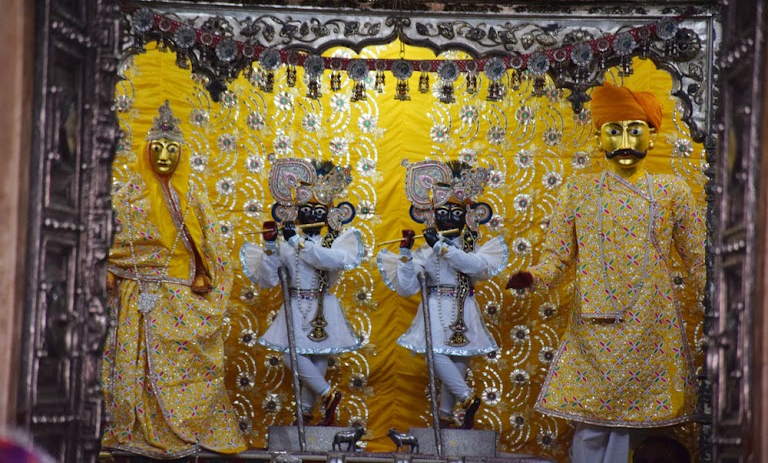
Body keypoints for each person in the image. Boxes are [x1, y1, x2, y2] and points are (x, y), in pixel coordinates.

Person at [505, 81, 706, 462]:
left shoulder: (671, 190)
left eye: (635, 129)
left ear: (652, 135)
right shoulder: (579, 191)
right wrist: (534, 277)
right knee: (592, 424)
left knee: (634, 428)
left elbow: (697, 259)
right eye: (614, 131)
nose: (625, 139)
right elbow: (557, 256)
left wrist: (725, 306)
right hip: (595, 323)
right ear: (599, 137)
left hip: (651, 319)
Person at [101, 101, 246, 459]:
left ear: (182, 154)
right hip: (135, 302)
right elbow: (104, 245)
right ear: (145, 151)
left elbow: (215, 254)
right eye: (158, 148)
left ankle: (185, 432)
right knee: (133, 372)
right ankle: (132, 431)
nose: (164, 156)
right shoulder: (126, 198)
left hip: (181, 304)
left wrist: (208, 288)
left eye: (172, 149)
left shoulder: (193, 198)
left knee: (187, 371)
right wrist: (107, 269)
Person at [377, 160, 507, 429]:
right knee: (434, 351)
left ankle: (447, 418)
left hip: (464, 306)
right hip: (436, 307)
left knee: (457, 358)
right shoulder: (426, 251)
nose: (448, 218)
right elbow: (407, 287)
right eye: (442, 212)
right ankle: (466, 398)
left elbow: (476, 268)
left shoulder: (473, 248)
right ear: (433, 216)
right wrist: (404, 254)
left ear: (466, 216)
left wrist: (443, 248)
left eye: (455, 213)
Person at [240, 158, 364, 427]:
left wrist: (297, 242)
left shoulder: (338, 239)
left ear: (330, 211)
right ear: (295, 211)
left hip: (323, 304)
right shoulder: (288, 242)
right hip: (295, 305)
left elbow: (329, 261)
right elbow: (268, 278)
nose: (311, 214)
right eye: (305, 209)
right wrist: (272, 246)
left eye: (318, 209)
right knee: (292, 353)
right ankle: (325, 396)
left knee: (317, 355)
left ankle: (308, 412)